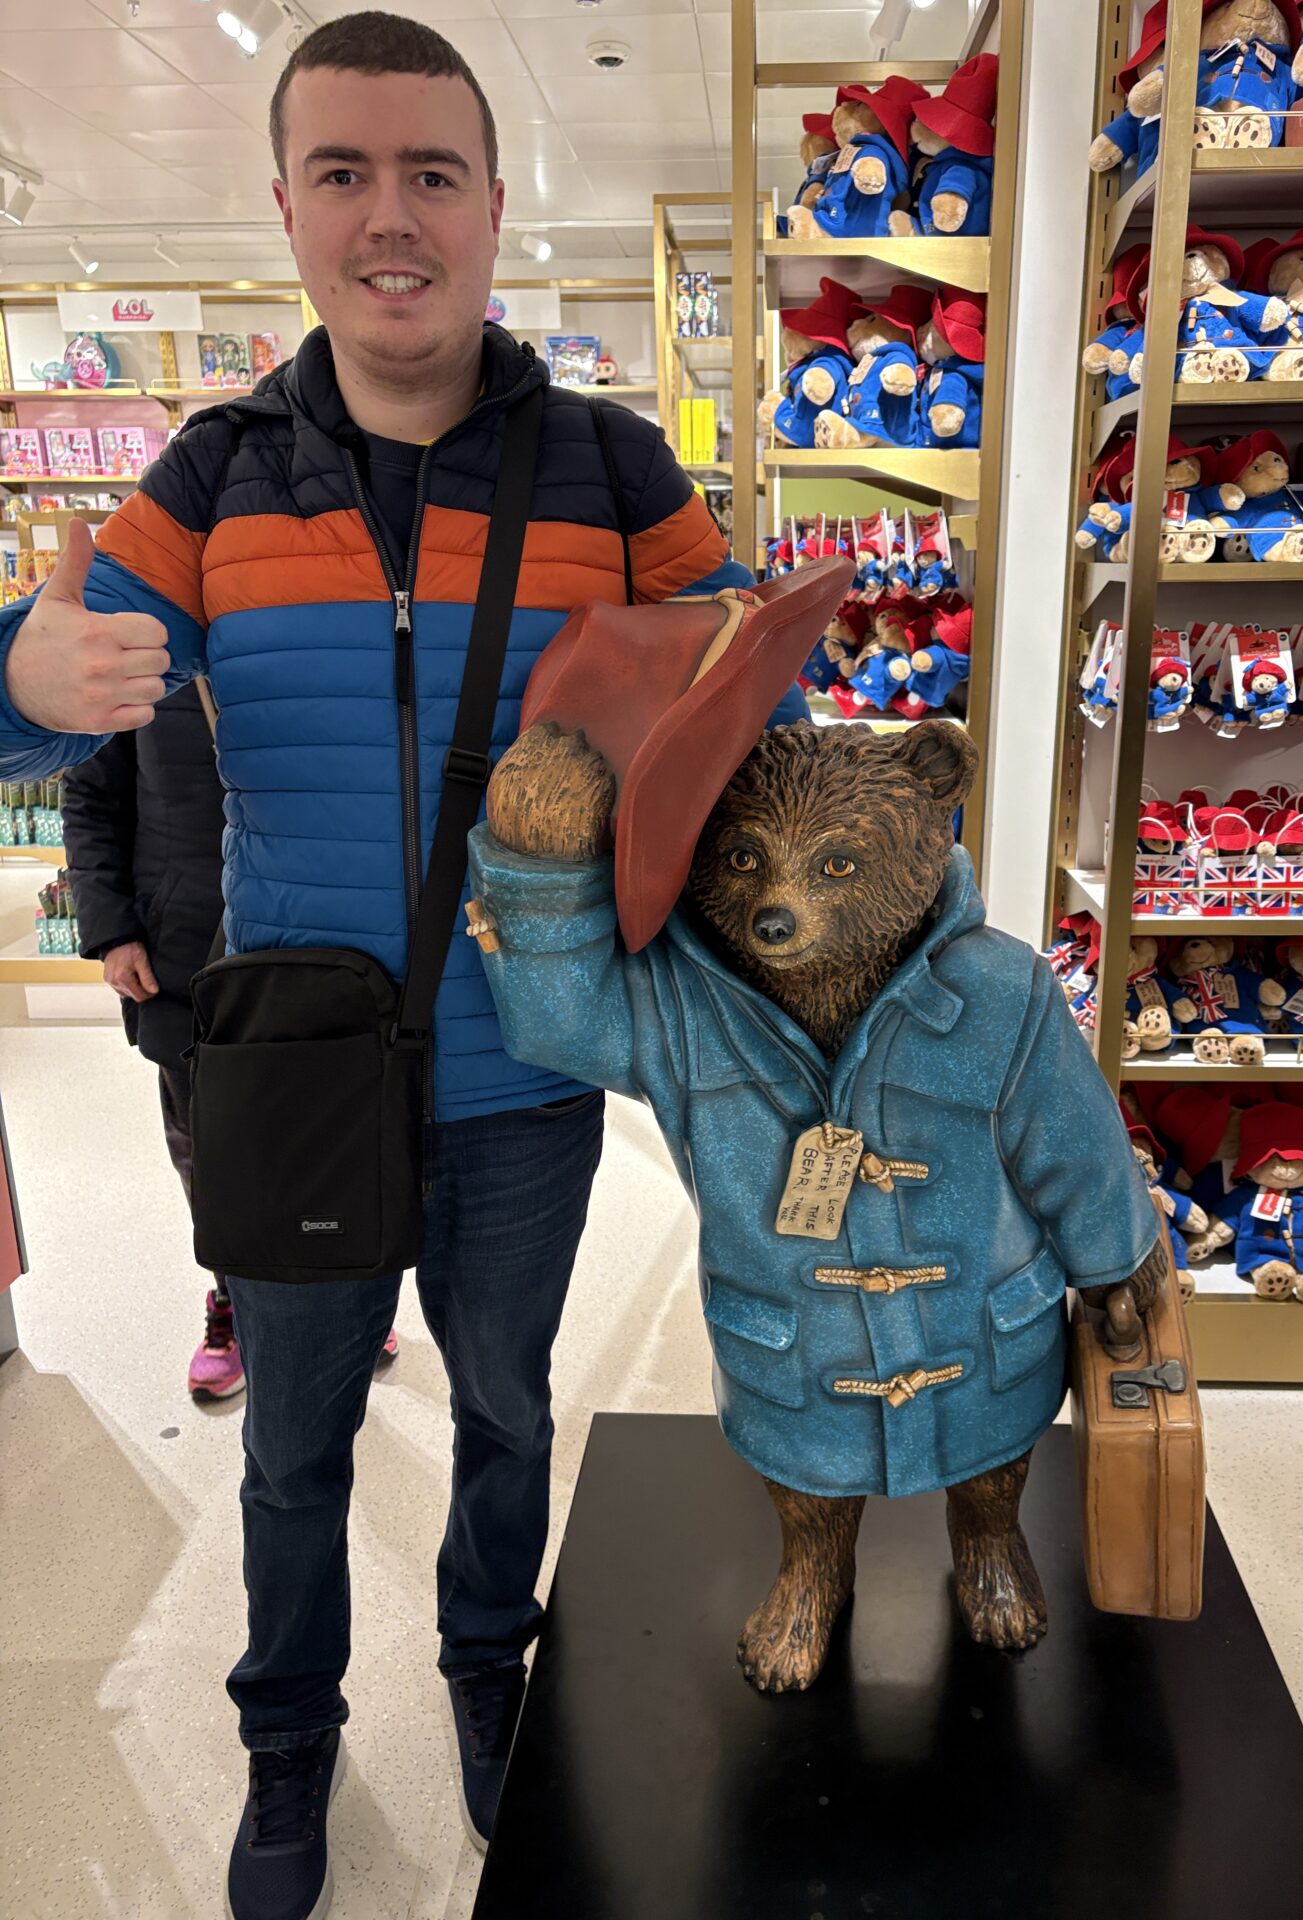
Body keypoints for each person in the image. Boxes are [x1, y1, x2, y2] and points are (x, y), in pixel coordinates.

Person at [0, 13, 807, 1918]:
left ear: (493, 207)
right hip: (293, 1069)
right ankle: (286, 1742)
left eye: (431, 173)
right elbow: (43, 688)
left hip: (528, 1067)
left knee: (508, 1412)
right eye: (345, 173)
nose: (391, 216)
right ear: (287, 207)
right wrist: (22, 683)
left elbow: (745, 710)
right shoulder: (206, 477)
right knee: (291, 1447)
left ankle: (487, 1671)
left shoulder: (612, 466)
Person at [60, 685, 399, 1402]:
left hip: (322, 948)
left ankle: (346, 1292)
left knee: (334, 1136)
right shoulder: (142, 657)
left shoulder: (305, 637)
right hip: (180, 953)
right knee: (208, 1155)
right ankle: (238, 1301)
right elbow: (91, 794)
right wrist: (111, 928)